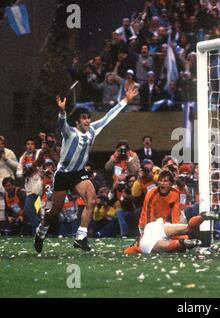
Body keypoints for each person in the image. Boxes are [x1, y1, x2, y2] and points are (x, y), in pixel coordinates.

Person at [34, 86, 138, 253]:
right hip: (63, 174)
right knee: (55, 211)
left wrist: (125, 100)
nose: (88, 121)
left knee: (91, 199)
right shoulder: (70, 133)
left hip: (79, 173)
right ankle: (41, 232)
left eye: (89, 118)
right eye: (84, 118)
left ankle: (81, 237)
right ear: (77, 121)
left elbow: (109, 116)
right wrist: (62, 112)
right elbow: (62, 125)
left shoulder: (93, 130)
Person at [124, 214, 204, 254]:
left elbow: (127, 251)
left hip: (146, 241)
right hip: (154, 227)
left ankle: (182, 243)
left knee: (169, 246)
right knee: (188, 227)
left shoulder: (141, 243)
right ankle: (202, 217)